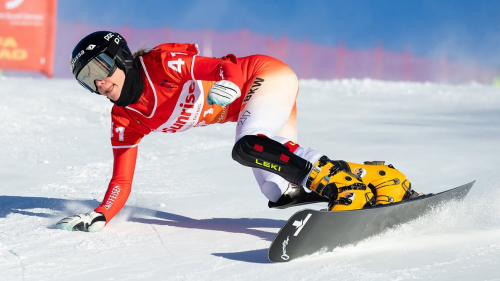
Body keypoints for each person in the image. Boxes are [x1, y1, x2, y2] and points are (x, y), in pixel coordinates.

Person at [56, 31, 418, 232]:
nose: (99, 82)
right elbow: (122, 179)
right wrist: (102, 212)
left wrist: (227, 82)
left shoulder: (160, 63)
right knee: (279, 192)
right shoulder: (125, 119)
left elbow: (224, 66)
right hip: (254, 112)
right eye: (87, 79)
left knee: (248, 146)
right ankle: (380, 178)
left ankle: (344, 189)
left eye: (100, 68)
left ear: (120, 57)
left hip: (266, 76)